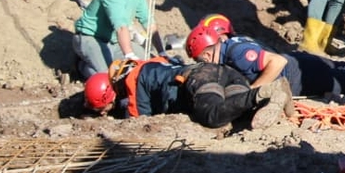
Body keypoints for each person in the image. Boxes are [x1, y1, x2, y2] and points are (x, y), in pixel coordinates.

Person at [184, 26, 345, 100]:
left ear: (206, 55)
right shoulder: (234, 45)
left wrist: (254, 92)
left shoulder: (234, 53)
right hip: (301, 65)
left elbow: (274, 63)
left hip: (300, 73)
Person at [82, 58, 293, 129]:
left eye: (102, 108)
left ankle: (266, 91)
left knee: (212, 115)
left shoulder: (134, 81)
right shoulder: (151, 66)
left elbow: (137, 120)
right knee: (240, 113)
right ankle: (273, 98)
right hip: (223, 72)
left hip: (202, 79)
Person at [73, 0, 158, 79]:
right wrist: (129, 55)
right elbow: (121, 26)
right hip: (91, 38)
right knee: (108, 78)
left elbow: (148, 22)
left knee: (146, 65)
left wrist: (162, 53)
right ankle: (82, 66)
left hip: (113, 42)